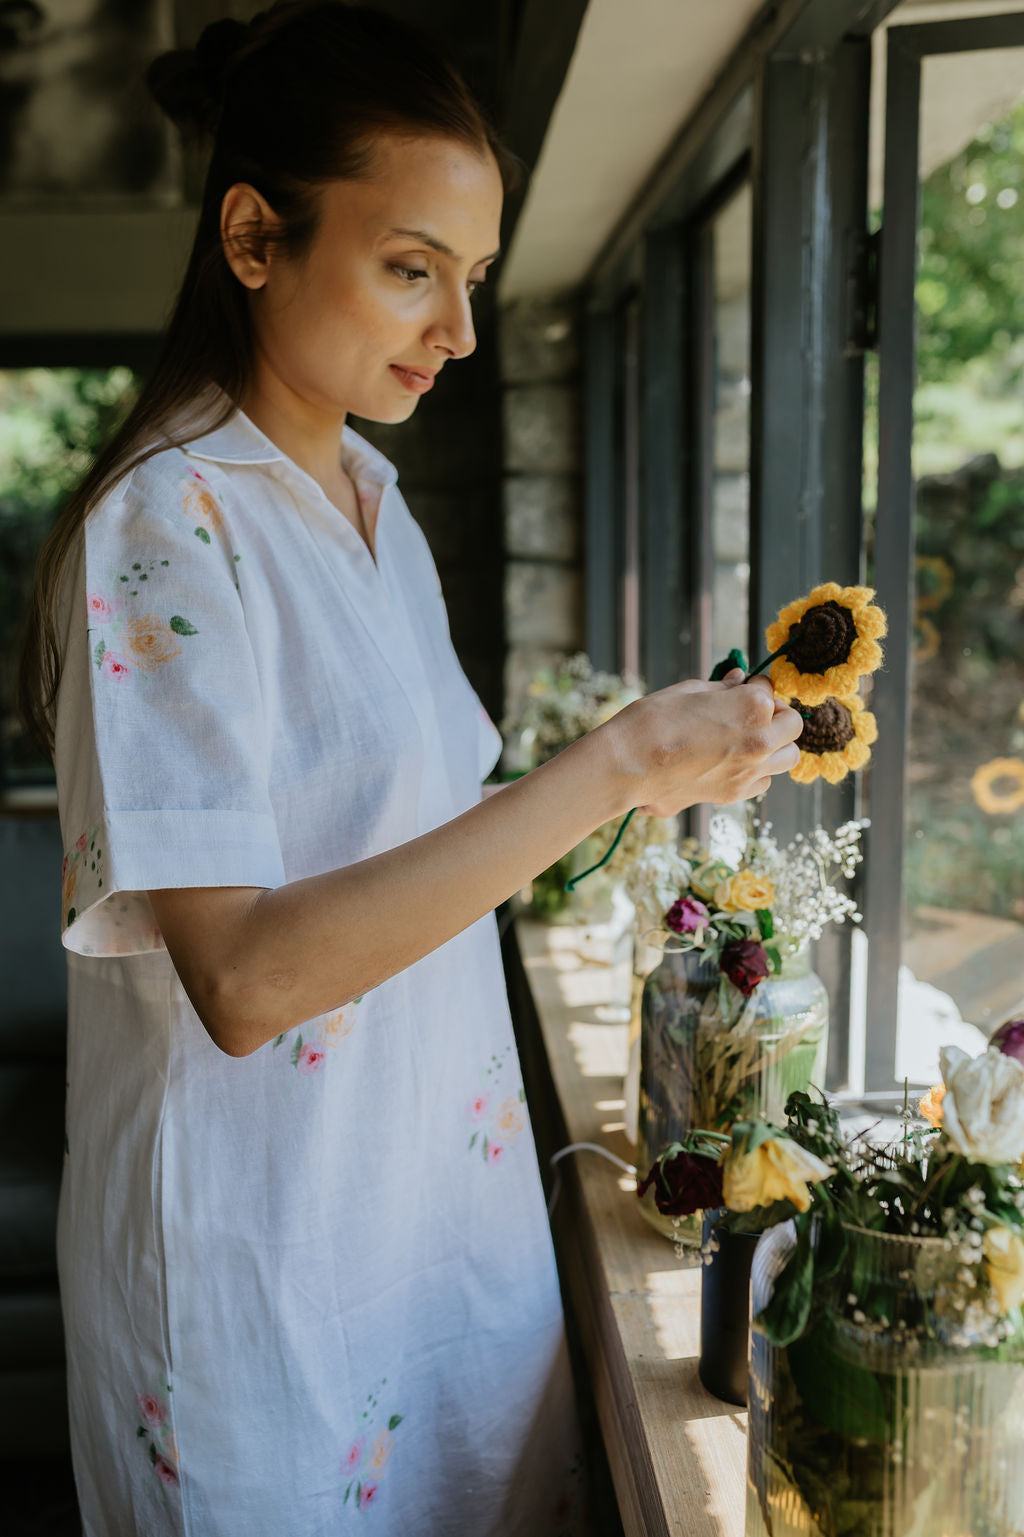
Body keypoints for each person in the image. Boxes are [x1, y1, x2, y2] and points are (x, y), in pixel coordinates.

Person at [17, 3, 803, 1533]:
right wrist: (618, 757)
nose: (457, 329)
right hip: (262, 1284)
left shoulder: (379, 502)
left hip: (442, 1242)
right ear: (253, 237)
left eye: (476, 278)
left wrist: (658, 785)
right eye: (409, 267)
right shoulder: (164, 528)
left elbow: (435, 856)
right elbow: (240, 978)